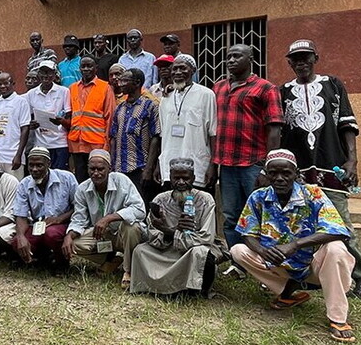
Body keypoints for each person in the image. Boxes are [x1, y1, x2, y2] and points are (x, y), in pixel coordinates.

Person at [280, 38, 361, 301]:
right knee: (300, 226)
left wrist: (352, 161)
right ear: (289, 62)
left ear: (316, 59)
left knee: (340, 224)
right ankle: (309, 276)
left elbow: (347, 124)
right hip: (298, 171)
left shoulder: (333, 85)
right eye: (296, 59)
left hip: (331, 168)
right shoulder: (284, 91)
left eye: (306, 57)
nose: (301, 63)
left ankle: (360, 277)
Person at [229, 149, 356, 343]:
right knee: (238, 251)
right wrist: (263, 251)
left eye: (286, 173)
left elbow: (338, 230)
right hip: (279, 265)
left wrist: (295, 245)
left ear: (296, 174)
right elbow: (247, 234)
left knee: (336, 248)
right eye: (273, 173)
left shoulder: (313, 194)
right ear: (266, 173)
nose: (279, 178)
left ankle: (338, 318)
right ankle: (288, 292)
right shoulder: (258, 197)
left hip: (314, 266)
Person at [213, 43, 283, 250]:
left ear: (250, 59)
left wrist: (267, 167)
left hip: (253, 163)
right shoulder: (218, 88)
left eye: (237, 56)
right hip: (227, 164)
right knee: (231, 214)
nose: (231, 60)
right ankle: (238, 259)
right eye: (228, 57)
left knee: (261, 212)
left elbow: (275, 129)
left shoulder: (266, 89)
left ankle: (264, 259)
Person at [129, 157, 219, 296]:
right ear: (170, 178)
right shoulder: (160, 200)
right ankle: (153, 287)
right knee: (140, 251)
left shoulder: (205, 200)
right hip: (166, 250)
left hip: (190, 250)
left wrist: (171, 231)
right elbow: (152, 235)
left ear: (193, 178)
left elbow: (206, 237)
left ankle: (192, 290)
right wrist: (166, 233)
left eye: (186, 178)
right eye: (176, 178)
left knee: (201, 253)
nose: (181, 182)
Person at [62, 149, 145, 278]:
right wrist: (69, 235)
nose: (96, 173)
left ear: (109, 169)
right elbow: (79, 219)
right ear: (87, 169)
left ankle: (129, 271)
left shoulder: (122, 181)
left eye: (100, 169)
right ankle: (111, 260)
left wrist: (109, 218)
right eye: (92, 169)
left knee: (131, 227)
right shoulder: (83, 189)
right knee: (76, 244)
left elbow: (139, 210)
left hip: (123, 235)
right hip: (103, 235)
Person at [154, 54, 217, 190]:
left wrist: (213, 165)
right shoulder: (166, 98)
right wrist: (159, 164)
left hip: (197, 166)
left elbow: (213, 132)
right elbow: (162, 136)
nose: (178, 72)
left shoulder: (206, 95)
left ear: (193, 71)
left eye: (183, 68)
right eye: (174, 69)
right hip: (169, 166)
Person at [11, 146, 77, 265]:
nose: (34, 169)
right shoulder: (24, 184)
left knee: (51, 234)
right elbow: (21, 215)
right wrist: (20, 236)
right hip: (38, 225)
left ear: (49, 164)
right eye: (31, 165)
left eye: (39, 165)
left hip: (62, 224)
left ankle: (61, 263)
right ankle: (42, 259)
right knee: (17, 241)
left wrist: (59, 219)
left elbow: (78, 207)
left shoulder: (66, 178)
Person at [110, 67, 161, 198]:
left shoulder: (150, 106)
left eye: (124, 80)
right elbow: (113, 137)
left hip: (139, 168)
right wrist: (112, 165)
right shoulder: (119, 108)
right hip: (120, 168)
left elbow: (156, 137)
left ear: (137, 83)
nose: (120, 84)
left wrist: (149, 169)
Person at [66, 56, 115, 183]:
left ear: (96, 68)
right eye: (83, 66)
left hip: (96, 144)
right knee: (80, 181)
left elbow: (110, 117)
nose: (86, 69)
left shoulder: (105, 87)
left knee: (97, 180)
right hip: (76, 143)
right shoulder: (72, 88)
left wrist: (107, 143)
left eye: (89, 66)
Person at [0, 71, 31, 179]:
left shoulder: (21, 102)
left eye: (6, 83)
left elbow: (25, 129)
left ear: (12, 83)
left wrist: (19, 155)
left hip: (12, 156)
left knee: (15, 189)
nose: (2, 86)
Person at [27, 60, 71, 169]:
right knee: (42, 175)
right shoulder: (31, 94)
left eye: (49, 72)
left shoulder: (64, 91)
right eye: (43, 72)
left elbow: (69, 117)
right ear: (38, 74)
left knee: (59, 175)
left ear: (54, 74)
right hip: (40, 144)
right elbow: (28, 118)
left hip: (60, 143)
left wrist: (60, 121)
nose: (46, 76)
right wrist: (31, 125)